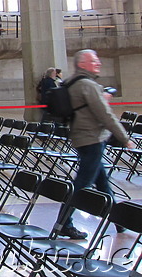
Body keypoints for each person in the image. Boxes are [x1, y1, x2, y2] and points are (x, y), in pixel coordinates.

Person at [55, 49, 136, 240]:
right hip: (92, 139)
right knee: (82, 184)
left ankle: (119, 222)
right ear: (82, 64)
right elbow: (105, 115)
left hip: (83, 137)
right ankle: (63, 224)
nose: (98, 62)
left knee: (103, 184)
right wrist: (124, 138)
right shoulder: (87, 85)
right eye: (93, 60)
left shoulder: (71, 82)